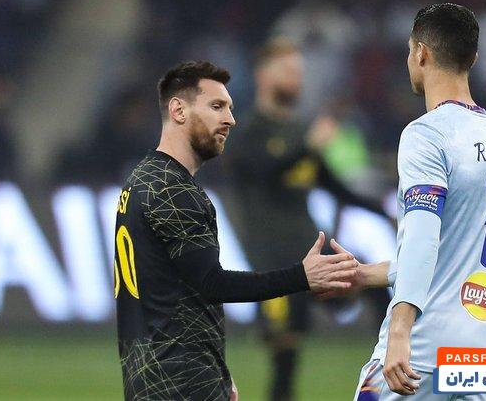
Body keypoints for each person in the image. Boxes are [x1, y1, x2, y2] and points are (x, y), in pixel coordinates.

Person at [113, 60, 359, 401]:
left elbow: (176, 293)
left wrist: (216, 371)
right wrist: (302, 276)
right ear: (179, 110)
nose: (230, 119)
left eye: (229, 108)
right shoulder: (174, 191)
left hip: (152, 377)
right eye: (217, 106)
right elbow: (213, 284)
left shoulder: (143, 179)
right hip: (181, 385)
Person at [340, 3, 486, 400]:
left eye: (410, 50)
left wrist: (400, 332)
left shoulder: (427, 135)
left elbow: (423, 239)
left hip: (426, 350)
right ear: (473, 59)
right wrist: (368, 275)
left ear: (421, 53)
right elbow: (457, 256)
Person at [226, 37, 386, 401]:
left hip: (311, 250)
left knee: (375, 284)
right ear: (263, 75)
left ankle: (389, 371)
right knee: (285, 359)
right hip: (274, 266)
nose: (295, 79)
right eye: (287, 70)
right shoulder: (247, 131)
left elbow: (333, 185)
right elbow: (264, 172)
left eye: (298, 72)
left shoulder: (299, 130)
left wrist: (387, 208)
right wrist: (309, 146)